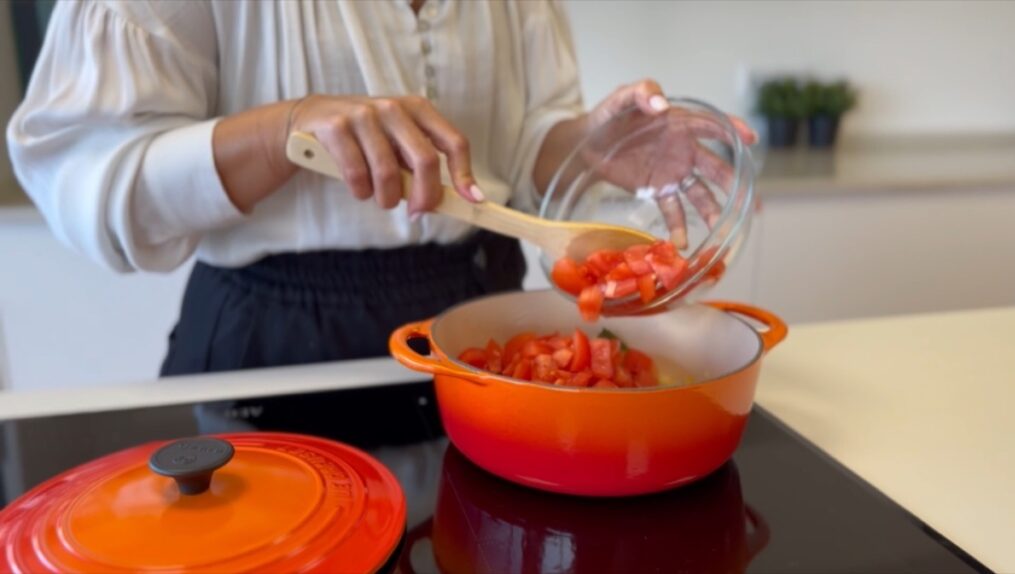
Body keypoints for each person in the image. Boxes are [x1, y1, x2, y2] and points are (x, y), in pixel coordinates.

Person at [7, 1, 755, 390]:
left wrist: (586, 148)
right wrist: (283, 132)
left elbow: (518, 146)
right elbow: (81, 173)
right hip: (271, 347)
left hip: (480, 335)